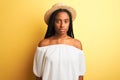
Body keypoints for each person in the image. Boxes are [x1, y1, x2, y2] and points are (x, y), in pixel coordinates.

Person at [33, 3, 86, 80]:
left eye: (66, 21)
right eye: (58, 21)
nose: (62, 25)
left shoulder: (77, 45)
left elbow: (80, 75)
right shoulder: (44, 45)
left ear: (69, 23)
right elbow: (38, 76)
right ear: (53, 23)